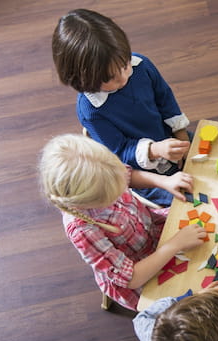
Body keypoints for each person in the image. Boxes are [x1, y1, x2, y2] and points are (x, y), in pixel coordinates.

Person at [39, 133, 203, 311]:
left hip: (155, 227)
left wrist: (165, 181)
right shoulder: (82, 230)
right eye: (113, 196)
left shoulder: (103, 169)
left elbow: (129, 176)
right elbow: (132, 278)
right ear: (87, 202)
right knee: (194, 303)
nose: (121, 190)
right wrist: (175, 244)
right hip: (142, 273)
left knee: (206, 218)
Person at [52, 9, 191, 206]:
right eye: (110, 78)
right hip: (144, 172)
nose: (124, 78)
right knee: (189, 202)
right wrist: (156, 150)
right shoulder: (91, 111)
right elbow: (120, 152)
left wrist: (181, 134)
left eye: (125, 65)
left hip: (170, 138)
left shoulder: (141, 65)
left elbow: (165, 99)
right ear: (82, 80)